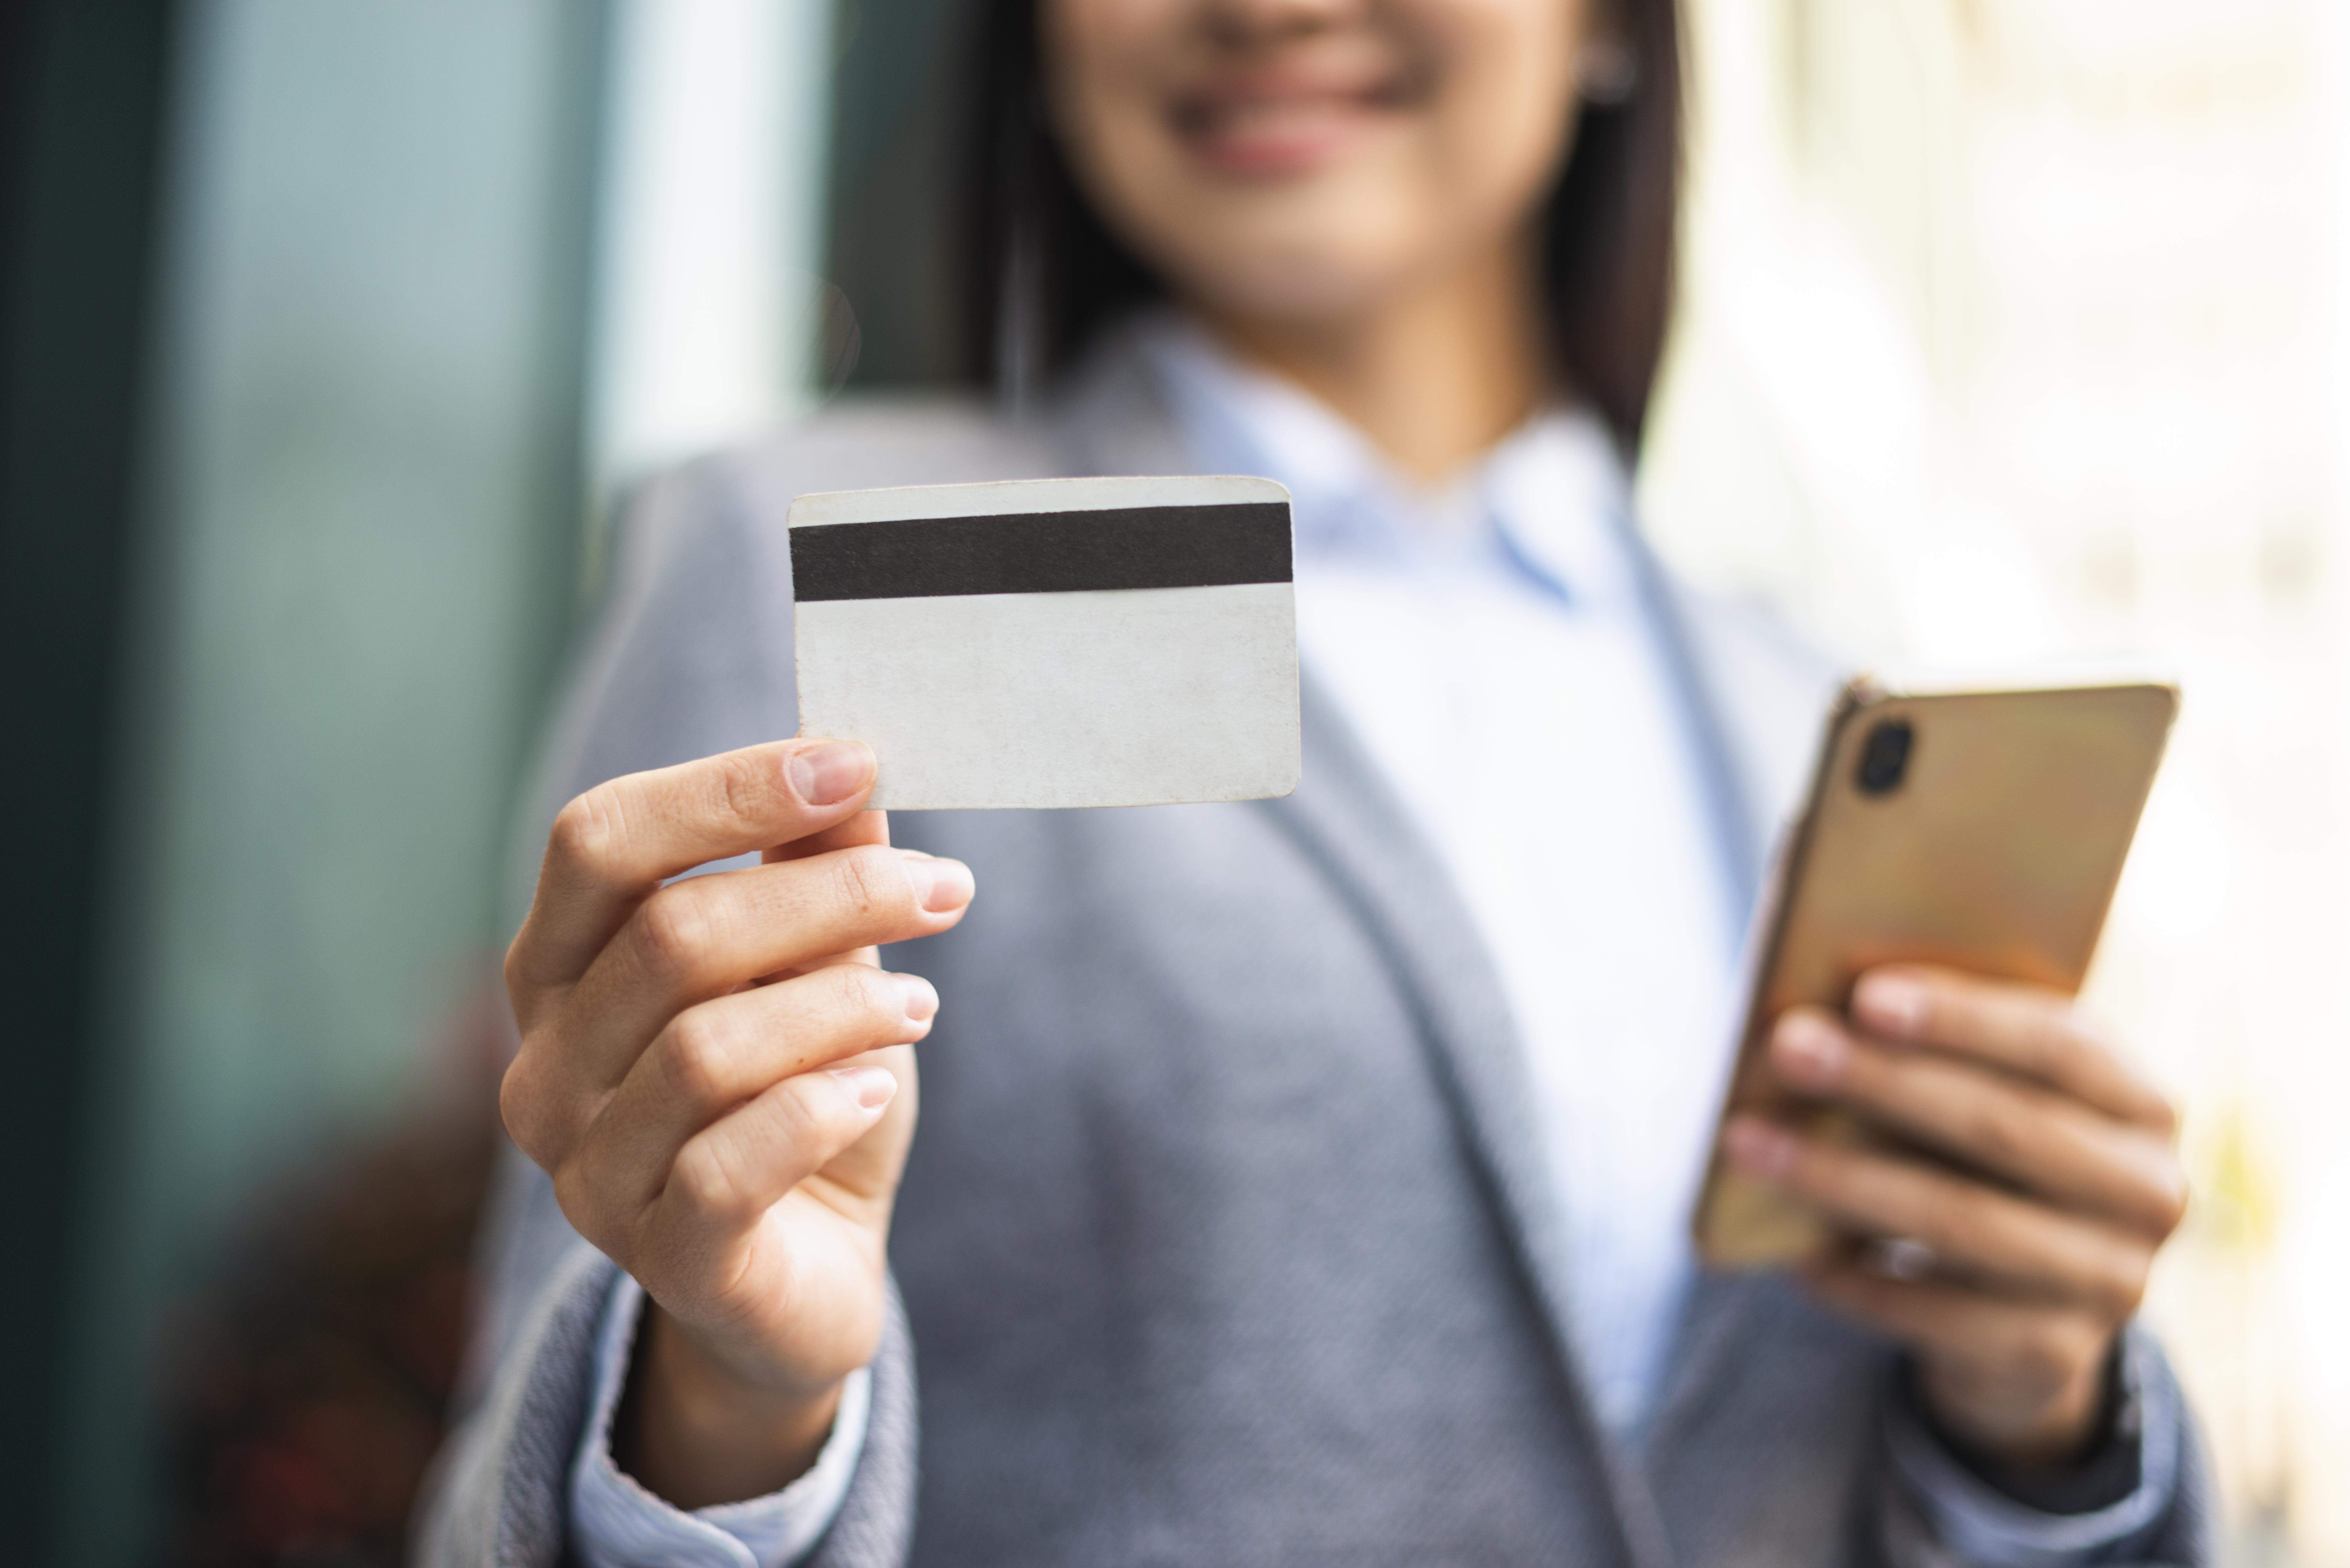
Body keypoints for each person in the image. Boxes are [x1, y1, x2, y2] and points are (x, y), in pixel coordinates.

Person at [419, 0, 2211, 1560]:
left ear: (1608, 21)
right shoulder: (813, 559)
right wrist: (727, 1403)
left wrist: (2039, 1423)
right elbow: (517, 1468)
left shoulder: (1806, 694)